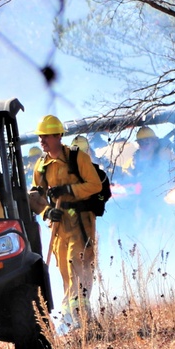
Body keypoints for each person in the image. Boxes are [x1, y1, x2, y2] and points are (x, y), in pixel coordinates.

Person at [31, 115, 104, 321]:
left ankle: (80, 316)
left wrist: (69, 189)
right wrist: (46, 212)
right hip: (58, 225)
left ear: (58, 135)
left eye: (46, 136)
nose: (42, 141)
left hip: (81, 223)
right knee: (64, 269)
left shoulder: (77, 158)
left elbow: (94, 185)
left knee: (78, 266)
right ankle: (71, 315)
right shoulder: (41, 166)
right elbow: (35, 196)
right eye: (40, 137)